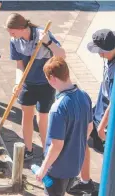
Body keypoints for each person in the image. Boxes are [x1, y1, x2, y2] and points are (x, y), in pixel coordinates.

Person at [5, 13, 66, 160]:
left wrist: (49, 42)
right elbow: (19, 65)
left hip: (46, 84)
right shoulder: (15, 40)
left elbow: (62, 55)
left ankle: (46, 150)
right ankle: (28, 149)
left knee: (42, 118)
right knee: (26, 116)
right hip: (27, 84)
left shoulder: (42, 34)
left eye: (12, 31)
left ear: (21, 28)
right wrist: (17, 83)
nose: (10, 35)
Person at [35, 56, 93, 196]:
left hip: (57, 170)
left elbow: (56, 145)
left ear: (52, 78)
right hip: (75, 164)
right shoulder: (84, 96)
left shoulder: (57, 108)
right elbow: (89, 127)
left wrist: (43, 170)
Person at [68, 29, 115, 195]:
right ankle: (86, 181)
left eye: (101, 51)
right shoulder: (109, 62)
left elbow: (114, 102)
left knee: (108, 158)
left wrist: (102, 127)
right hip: (99, 114)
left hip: (108, 123)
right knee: (84, 139)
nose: (99, 55)